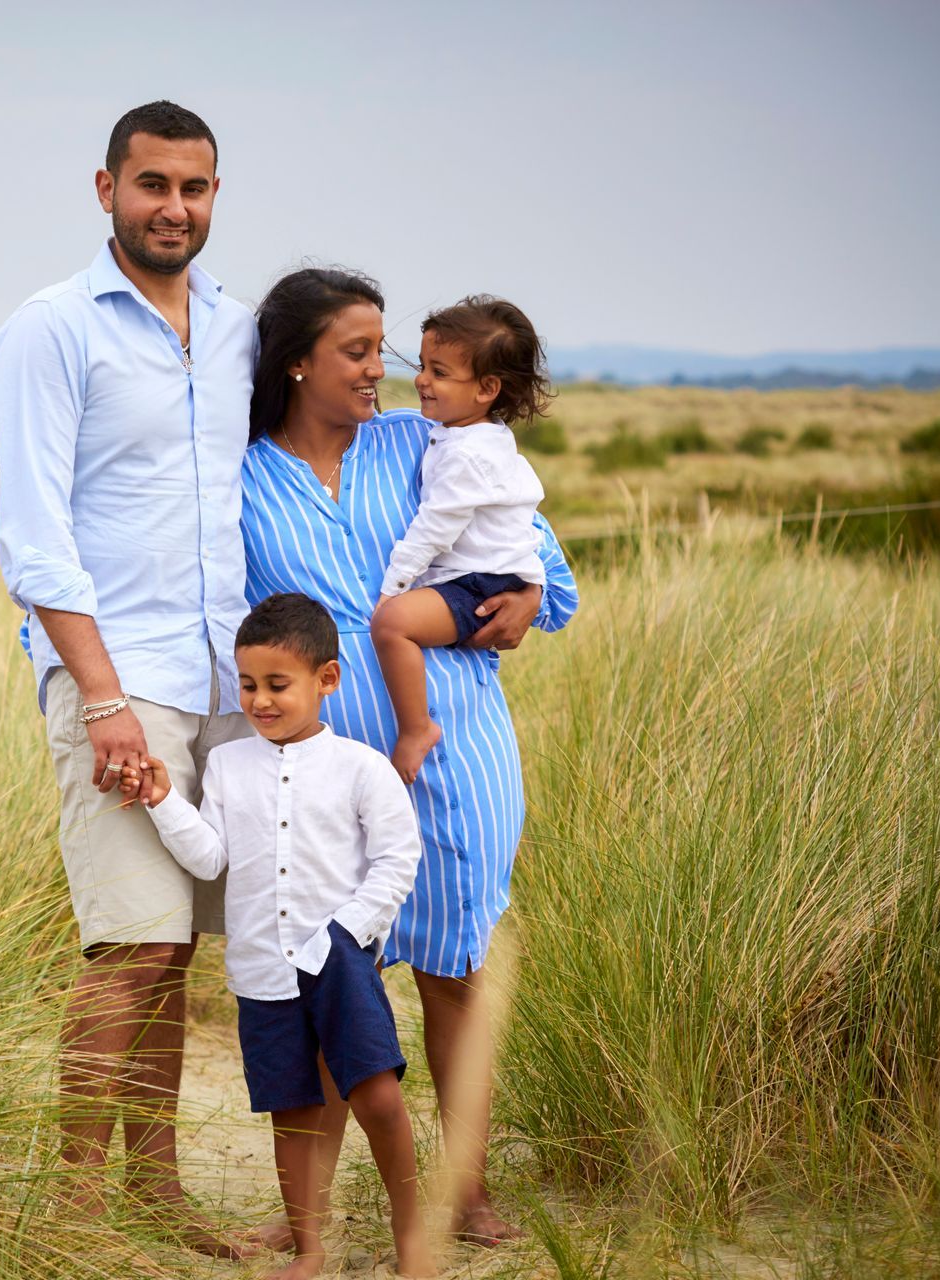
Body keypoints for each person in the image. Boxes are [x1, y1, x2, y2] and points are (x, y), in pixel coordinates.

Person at [240, 267, 580, 1248]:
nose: (382, 371)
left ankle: (463, 1190)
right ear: (297, 360)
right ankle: (308, 1217)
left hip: (456, 742)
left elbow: (541, 574)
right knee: (326, 973)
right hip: (325, 766)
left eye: (389, 351)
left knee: (454, 972)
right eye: (358, 350)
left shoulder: (426, 444)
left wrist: (512, 606)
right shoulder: (245, 472)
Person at [0, 100, 259, 1256]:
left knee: (177, 952)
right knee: (130, 946)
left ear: (214, 195)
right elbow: (35, 536)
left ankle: (159, 1190)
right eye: (152, 186)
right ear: (106, 190)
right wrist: (96, 697)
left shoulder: (239, 330)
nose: (173, 209)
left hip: (226, 677)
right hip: (119, 672)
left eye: (193, 189)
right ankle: (79, 1214)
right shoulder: (50, 329)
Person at [121, 592, 436, 1280]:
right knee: (291, 1111)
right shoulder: (230, 766)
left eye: (277, 685)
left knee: (377, 1096)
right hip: (262, 969)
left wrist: (345, 935)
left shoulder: (360, 766)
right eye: (249, 684)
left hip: (341, 961)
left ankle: (415, 1240)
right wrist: (164, 799)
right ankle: (310, 1248)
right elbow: (210, 857)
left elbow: (396, 859)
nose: (260, 701)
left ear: (327, 679)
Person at [370, 296, 554, 783]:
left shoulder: (468, 454)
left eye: (440, 372)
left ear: (486, 389)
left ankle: (416, 729)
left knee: (392, 625)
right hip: (489, 576)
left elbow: (436, 525)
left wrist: (394, 586)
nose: (421, 381)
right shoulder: (471, 438)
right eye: (422, 365)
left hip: (482, 582)